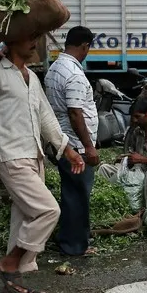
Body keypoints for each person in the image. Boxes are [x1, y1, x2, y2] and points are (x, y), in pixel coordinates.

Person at [0, 35, 85, 293]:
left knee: (24, 219)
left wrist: (68, 150)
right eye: (28, 39)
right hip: (10, 156)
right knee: (48, 210)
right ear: (11, 44)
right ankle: (8, 263)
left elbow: (46, 118)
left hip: (34, 156)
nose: (33, 44)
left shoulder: (30, 77)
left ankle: (14, 283)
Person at [44, 26, 99, 257]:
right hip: (76, 146)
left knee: (70, 194)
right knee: (78, 197)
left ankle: (68, 238)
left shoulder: (55, 68)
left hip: (63, 142)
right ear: (84, 46)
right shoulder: (74, 74)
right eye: (88, 48)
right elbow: (75, 113)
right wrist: (89, 147)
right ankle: (75, 247)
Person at [98, 95, 147, 209]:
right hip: (137, 173)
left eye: (137, 117)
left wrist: (142, 159)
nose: (134, 120)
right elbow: (133, 154)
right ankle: (107, 206)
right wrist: (125, 159)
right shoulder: (137, 132)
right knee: (105, 168)